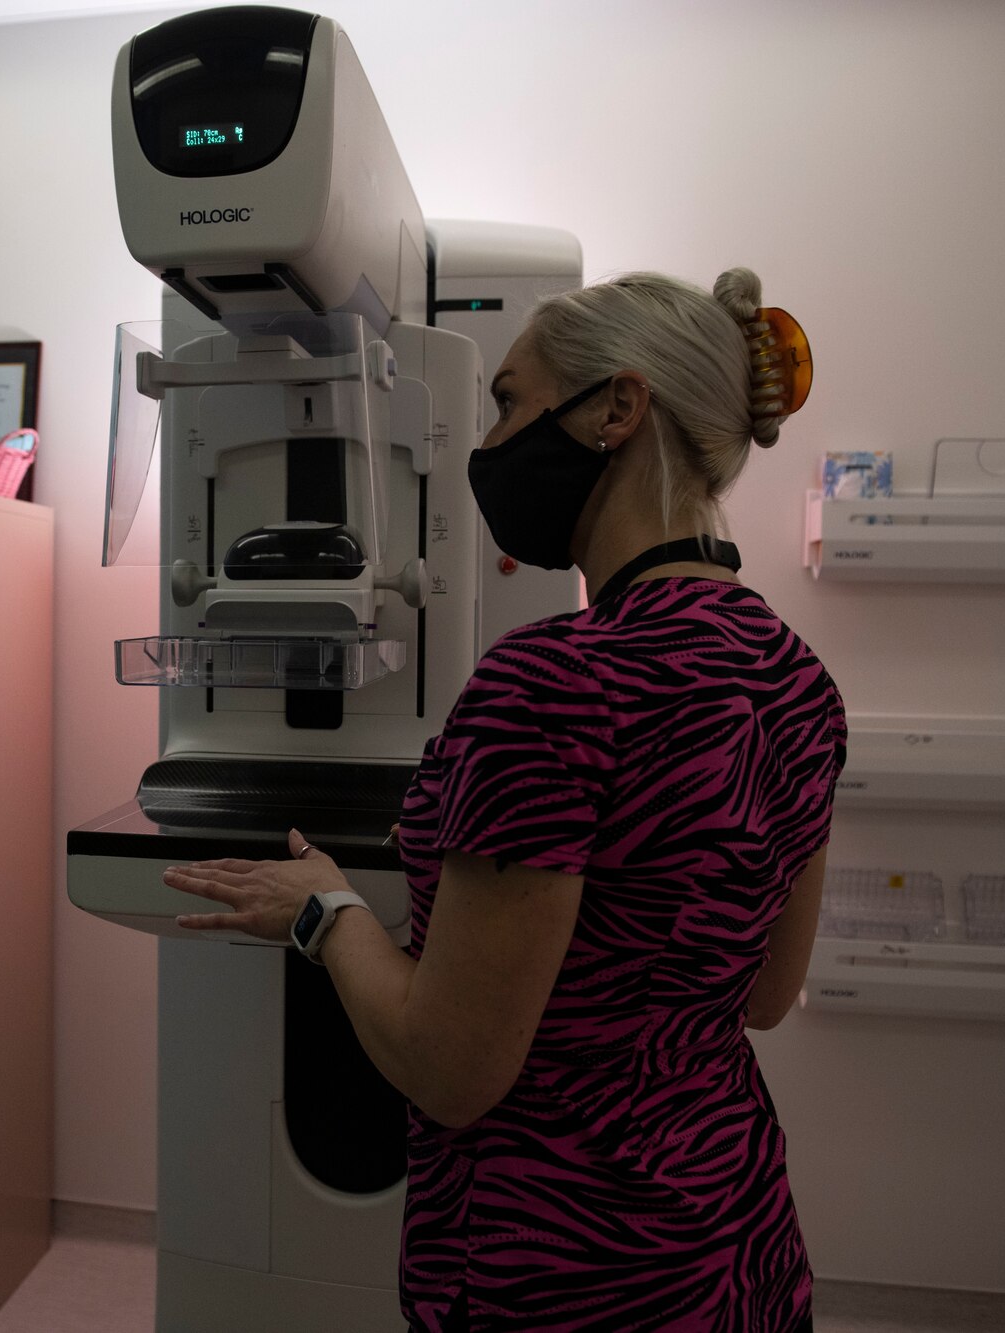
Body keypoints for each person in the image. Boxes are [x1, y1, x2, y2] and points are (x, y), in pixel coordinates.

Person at [163, 269, 844, 1332]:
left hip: (562, 1263)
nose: (490, 443)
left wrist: (324, 908)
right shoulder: (795, 678)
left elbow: (449, 1070)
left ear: (616, 409)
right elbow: (761, 995)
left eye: (510, 402)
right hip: (729, 1230)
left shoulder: (554, 683)